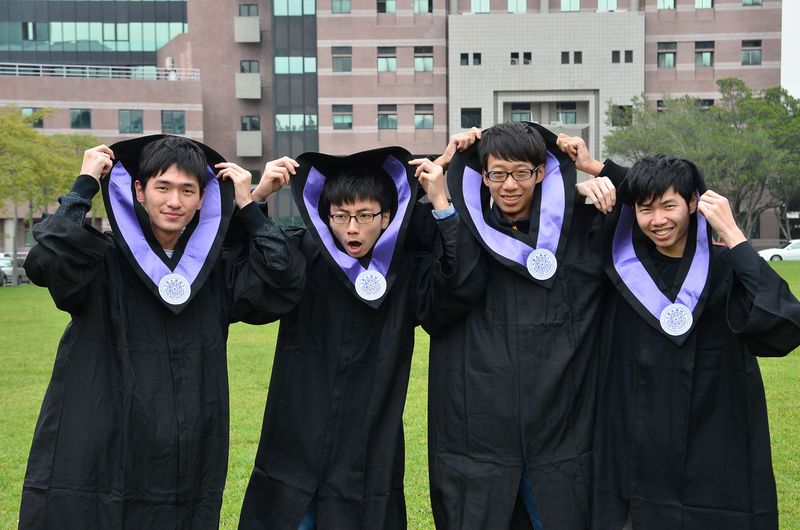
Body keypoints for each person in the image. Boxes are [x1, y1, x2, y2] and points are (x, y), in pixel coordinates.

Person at [19, 135, 305, 529]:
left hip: (187, 440)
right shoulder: (102, 259)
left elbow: (282, 276)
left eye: (188, 190)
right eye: (163, 187)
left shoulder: (211, 271)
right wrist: (84, 185)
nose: (174, 201)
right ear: (139, 191)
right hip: (105, 432)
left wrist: (248, 205)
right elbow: (47, 260)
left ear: (202, 198)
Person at [558, 136, 800, 530]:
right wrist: (585, 182)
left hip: (712, 445)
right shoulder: (616, 266)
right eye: (645, 209)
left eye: (669, 206)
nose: (658, 220)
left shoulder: (725, 267)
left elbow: (783, 325)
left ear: (692, 202)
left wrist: (734, 235)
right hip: (634, 452)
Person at [237, 147, 485, 529]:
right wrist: (256, 197)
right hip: (298, 431)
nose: (352, 228)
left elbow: (456, 289)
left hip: (370, 437)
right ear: (326, 216)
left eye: (365, 215)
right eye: (340, 215)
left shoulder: (405, 269)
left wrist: (441, 203)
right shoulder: (304, 254)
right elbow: (244, 273)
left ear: (386, 218)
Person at [425, 121, 620, 530]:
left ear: (541, 172)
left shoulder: (580, 230)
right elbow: (386, 221)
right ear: (483, 177)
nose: (509, 185)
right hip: (479, 433)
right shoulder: (460, 231)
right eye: (497, 174)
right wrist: (444, 164)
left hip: (560, 429)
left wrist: (597, 170)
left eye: (521, 172)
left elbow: (664, 203)